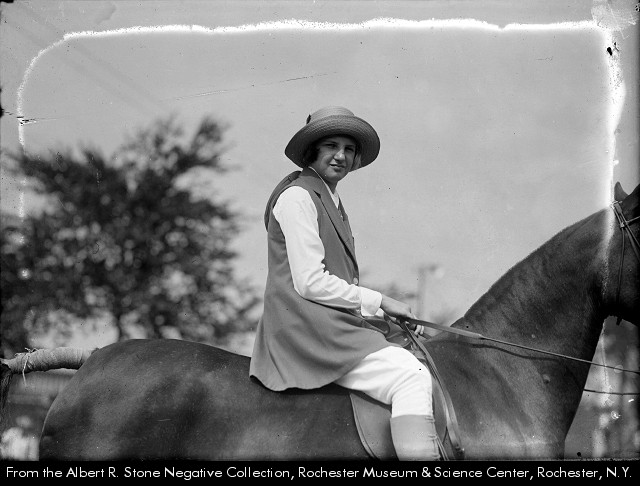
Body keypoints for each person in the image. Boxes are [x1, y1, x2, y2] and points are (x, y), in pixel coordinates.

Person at [250, 106, 439, 461]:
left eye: (349, 149)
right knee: (411, 375)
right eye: (331, 146)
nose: (341, 156)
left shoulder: (329, 198)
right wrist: (381, 301)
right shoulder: (298, 197)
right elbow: (310, 283)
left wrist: (379, 313)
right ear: (312, 151)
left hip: (327, 322)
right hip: (303, 328)